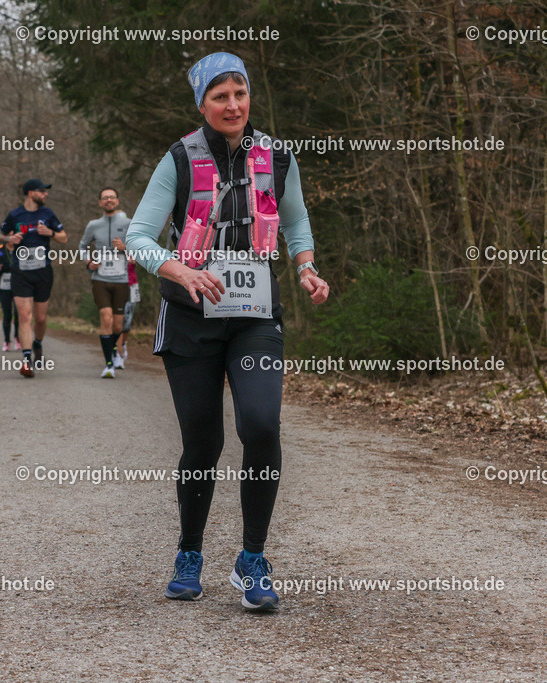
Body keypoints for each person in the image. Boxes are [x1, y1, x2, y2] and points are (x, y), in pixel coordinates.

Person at [125, 52, 329, 611]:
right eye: (220, 96)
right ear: (202, 104)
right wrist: (180, 268)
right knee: (203, 442)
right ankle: (189, 552)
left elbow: (296, 221)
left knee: (261, 426)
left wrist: (307, 267)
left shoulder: (278, 155)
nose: (232, 104)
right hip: (191, 316)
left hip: (256, 317)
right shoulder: (179, 159)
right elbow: (140, 237)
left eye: (239, 93)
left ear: (249, 97)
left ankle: (252, 559)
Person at [0, 178, 67, 378]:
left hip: (43, 271)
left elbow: (64, 237)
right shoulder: (15, 214)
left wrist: (51, 233)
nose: (46, 194)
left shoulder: (48, 214)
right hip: (21, 271)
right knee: (24, 315)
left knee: (41, 318)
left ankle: (37, 342)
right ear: (30, 193)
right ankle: (27, 359)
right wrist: (8, 238)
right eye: (42, 191)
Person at [79, 187, 131, 377]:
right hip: (100, 279)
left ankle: (115, 350)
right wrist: (88, 262)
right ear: (100, 203)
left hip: (121, 280)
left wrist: (124, 247)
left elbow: (139, 250)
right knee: (106, 318)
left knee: (118, 325)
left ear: (117, 201)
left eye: (112, 197)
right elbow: (82, 246)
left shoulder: (128, 224)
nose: (108, 200)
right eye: (105, 198)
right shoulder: (93, 225)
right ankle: (109, 364)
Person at [0, 243, 21, 351]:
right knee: (7, 314)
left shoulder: (21, 248)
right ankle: (7, 340)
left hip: (19, 284)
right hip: (4, 285)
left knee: (18, 313)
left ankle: (18, 338)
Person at [114, 257, 139, 368]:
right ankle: (118, 355)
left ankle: (123, 344)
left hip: (132, 285)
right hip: (116, 285)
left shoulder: (131, 244)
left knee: (128, 322)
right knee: (118, 320)